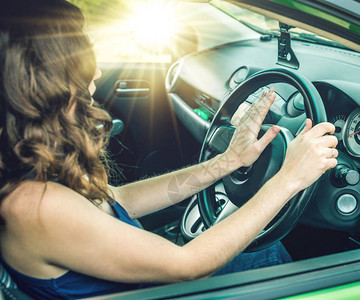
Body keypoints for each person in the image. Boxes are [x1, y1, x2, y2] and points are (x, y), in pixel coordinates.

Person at [0, 0, 338, 299]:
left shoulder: (34, 166)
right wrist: (288, 180)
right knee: (267, 257)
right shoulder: (34, 205)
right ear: (46, 77)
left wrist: (227, 161)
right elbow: (187, 266)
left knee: (259, 252)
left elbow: (119, 201)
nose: (98, 69)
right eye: (82, 55)